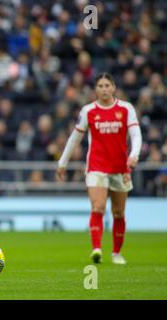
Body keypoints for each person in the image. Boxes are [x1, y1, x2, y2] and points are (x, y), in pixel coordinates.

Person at [56, 72, 142, 265]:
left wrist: (134, 155)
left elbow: (136, 135)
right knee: (98, 207)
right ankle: (96, 249)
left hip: (120, 168)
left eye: (107, 85)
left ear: (113, 88)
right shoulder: (88, 111)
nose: (104, 89)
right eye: (100, 86)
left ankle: (116, 253)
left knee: (119, 212)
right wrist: (63, 162)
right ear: (95, 89)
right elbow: (75, 138)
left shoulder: (126, 109)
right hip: (96, 167)